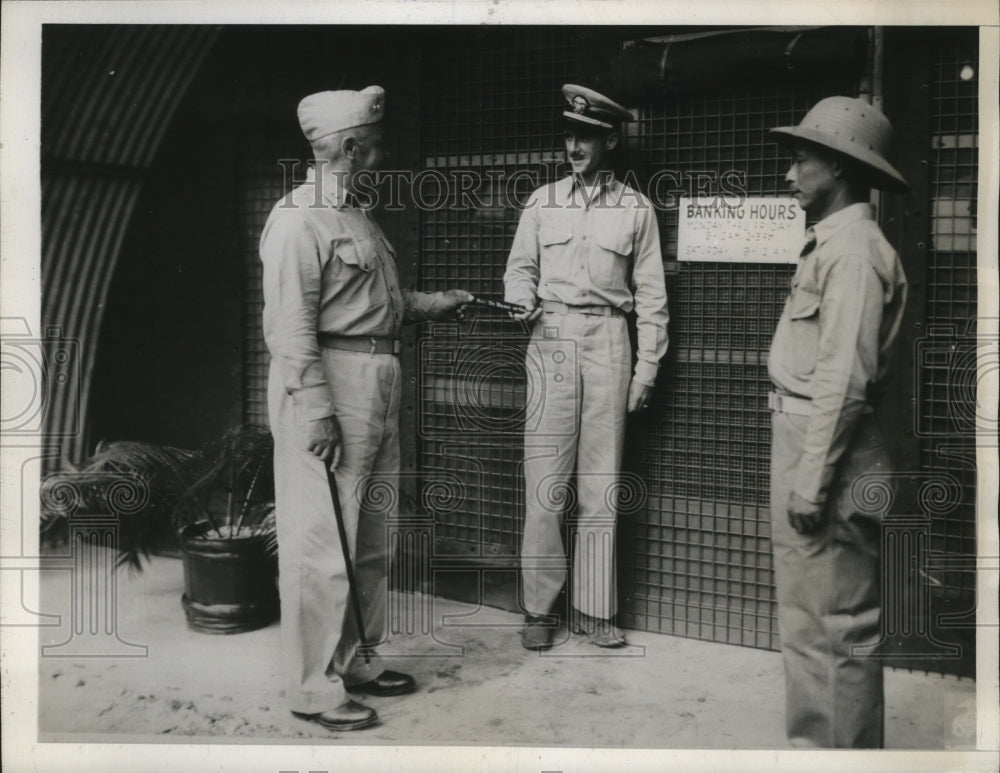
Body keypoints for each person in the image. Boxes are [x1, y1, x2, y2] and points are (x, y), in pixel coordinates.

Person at [260, 86, 472, 732]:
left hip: (377, 378)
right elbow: (290, 327)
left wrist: (432, 303)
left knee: (371, 535)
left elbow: (377, 300)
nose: (382, 158)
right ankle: (312, 686)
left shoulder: (356, 214)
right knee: (321, 540)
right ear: (350, 147)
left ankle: (354, 658)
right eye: (375, 148)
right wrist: (317, 409)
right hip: (328, 384)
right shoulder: (298, 220)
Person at [503, 84, 669, 650]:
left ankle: (595, 609)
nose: (575, 145)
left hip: (608, 340)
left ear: (611, 140)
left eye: (588, 136)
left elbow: (651, 296)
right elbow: (520, 269)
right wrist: (522, 298)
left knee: (602, 482)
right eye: (569, 134)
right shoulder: (542, 201)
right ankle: (539, 609)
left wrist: (647, 368)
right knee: (545, 479)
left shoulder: (636, 209)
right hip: (550, 335)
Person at [766, 96, 909, 748]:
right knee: (812, 621)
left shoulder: (851, 253)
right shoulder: (839, 242)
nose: (789, 175)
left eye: (800, 161)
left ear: (841, 169)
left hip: (828, 447)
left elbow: (843, 383)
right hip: (814, 439)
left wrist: (811, 481)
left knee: (834, 625)